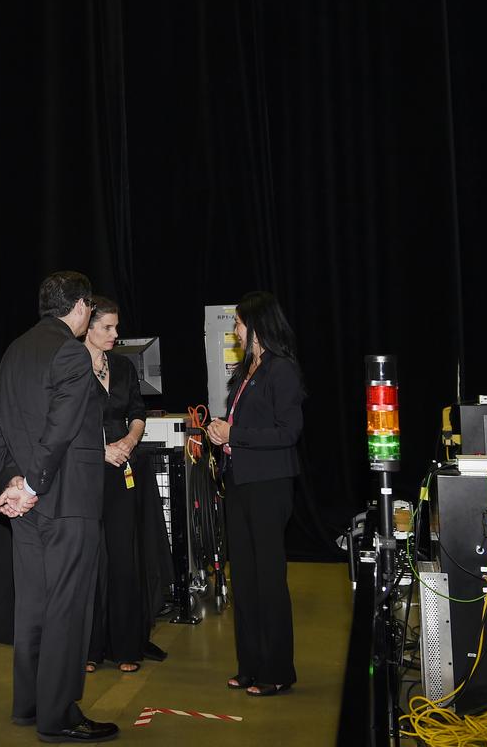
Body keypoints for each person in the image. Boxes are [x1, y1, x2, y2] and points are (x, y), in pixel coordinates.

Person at [0, 272, 119, 744]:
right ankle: (59, 714)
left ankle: (29, 704)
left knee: (34, 605)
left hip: (26, 504)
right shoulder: (72, 352)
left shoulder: (15, 350)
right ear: (82, 307)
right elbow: (62, 428)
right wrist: (34, 485)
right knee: (67, 607)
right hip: (65, 501)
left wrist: (12, 482)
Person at [206, 291, 304, 698]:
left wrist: (236, 435)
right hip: (241, 484)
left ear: (259, 326)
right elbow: (243, 428)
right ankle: (250, 665)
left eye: (240, 323)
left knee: (268, 580)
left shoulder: (282, 371)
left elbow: (288, 432)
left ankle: (278, 669)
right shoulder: (248, 370)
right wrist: (220, 434)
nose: (235, 330)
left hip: (269, 486)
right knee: (243, 579)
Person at [81, 296, 153, 674]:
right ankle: (90, 647)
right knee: (90, 560)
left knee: (123, 558)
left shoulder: (124, 366)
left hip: (124, 468)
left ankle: (127, 647)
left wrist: (129, 440)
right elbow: (65, 425)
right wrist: (99, 451)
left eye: (115, 326)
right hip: (86, 473)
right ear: (88, 327)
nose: (115, 333)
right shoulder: (71, 367)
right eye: (107, 327)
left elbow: (137, 412)